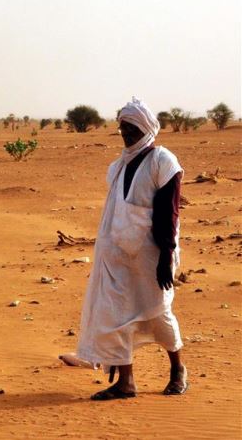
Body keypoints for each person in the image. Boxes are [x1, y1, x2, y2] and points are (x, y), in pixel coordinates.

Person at [76, 97, 188, 400]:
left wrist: (166, 255)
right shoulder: (117, 167)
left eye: (132, 128)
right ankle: (126, 382)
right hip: (116, 257)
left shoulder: (163, 161)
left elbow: (169, 213)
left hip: (152, 255)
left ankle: (178, 369)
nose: (126, 134)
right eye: (123, 128)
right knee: (114, 315)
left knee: (159, 313)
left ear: (146, 128)